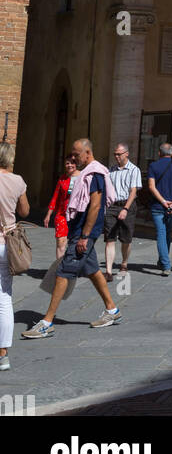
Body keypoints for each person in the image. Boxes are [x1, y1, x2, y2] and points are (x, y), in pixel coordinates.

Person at [22, 137, 121, 339]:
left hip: (84, 232)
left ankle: (47, 322)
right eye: (73, 155)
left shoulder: (94, 174)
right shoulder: (88, 172)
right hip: (81, 230)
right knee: (92, 270)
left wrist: (85, 236)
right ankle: (112, 310)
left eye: (77, 154)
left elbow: (95, 206)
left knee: (63, 271)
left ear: (87, 152)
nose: (74, 158)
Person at [0, 142, 30, 371]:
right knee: (4, 297)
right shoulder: (18, 181)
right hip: (7, 245)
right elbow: (25, 212)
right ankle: (3, 354)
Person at [105, 142, 142, 281]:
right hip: (113, 206)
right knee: (109, 238)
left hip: (128, 205)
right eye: (115, 154)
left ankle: (124, 263)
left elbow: (133, 191)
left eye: (119, 154)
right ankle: (108, 271)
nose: (116, 156)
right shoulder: (111, 170)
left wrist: (125, 208)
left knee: (126, 239)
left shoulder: (134, 170)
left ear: (126, 153)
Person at [147, 142, 172, 276]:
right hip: (171, 208)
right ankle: (164, 260)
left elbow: (151, 187)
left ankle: (165, 264)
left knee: (162, 234)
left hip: (158, 206)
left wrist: (163, 201)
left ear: (159, 153)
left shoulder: (153, 166)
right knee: (167, 233)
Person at [44, 154, 77, 260]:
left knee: (74, 244)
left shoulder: (81, 177)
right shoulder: (62, 179)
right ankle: (59, 269)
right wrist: (48, 215)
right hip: (62, 214)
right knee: (60, 243)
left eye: (72, 163)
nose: (70, 165)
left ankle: (71, 267)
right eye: (67, 163)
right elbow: (55, 198)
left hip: (76, 215)